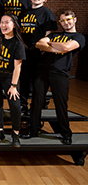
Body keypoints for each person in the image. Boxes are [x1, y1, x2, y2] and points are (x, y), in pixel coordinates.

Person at [22, 10, 85, 145]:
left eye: (68, 19)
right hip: (42, 71)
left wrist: (50, 45)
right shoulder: (56, 35)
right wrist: (58, 47)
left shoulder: (79, 37)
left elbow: (67, 47)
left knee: (60, 104)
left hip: (60, 73)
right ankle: (33, 130)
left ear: (75, 19)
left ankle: (66, 133)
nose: (65, 23)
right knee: (36, 102)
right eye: (62, 20)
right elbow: (39, 44)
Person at [0, 12, 26, 147]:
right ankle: (0, 131)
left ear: (14, 25)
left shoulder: (17, 44)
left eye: (7, 22)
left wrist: (13, 86)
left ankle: (15, 134)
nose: (3, 25)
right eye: (1, 22)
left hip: (8, 78)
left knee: (15, 106)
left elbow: (17, 67)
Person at [18, 0, 57, 115]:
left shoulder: (47, 13)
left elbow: (49, 34)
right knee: (23, 79)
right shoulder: (24, 12)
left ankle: (37, 105)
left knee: (36, 81)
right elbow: (19, 31)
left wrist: (41, 48)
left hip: (38, 51)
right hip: (24, 50)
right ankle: (22, 105)